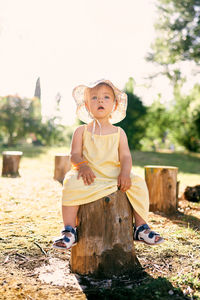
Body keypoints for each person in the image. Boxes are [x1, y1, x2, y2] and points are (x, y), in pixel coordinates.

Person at [53, 79, 164, 250]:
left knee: (139, 183)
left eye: (106, 97)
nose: (100, 101)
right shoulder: (81, 131)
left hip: (114, 175)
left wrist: (125, 173)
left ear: (114, 104)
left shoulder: (119, 132)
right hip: (89, 175)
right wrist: (82, 166)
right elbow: (74, 154)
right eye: (94, 98)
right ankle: (69, 230)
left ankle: (141, 227)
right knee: (70, 182)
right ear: (87, 105)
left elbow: (126, 156)